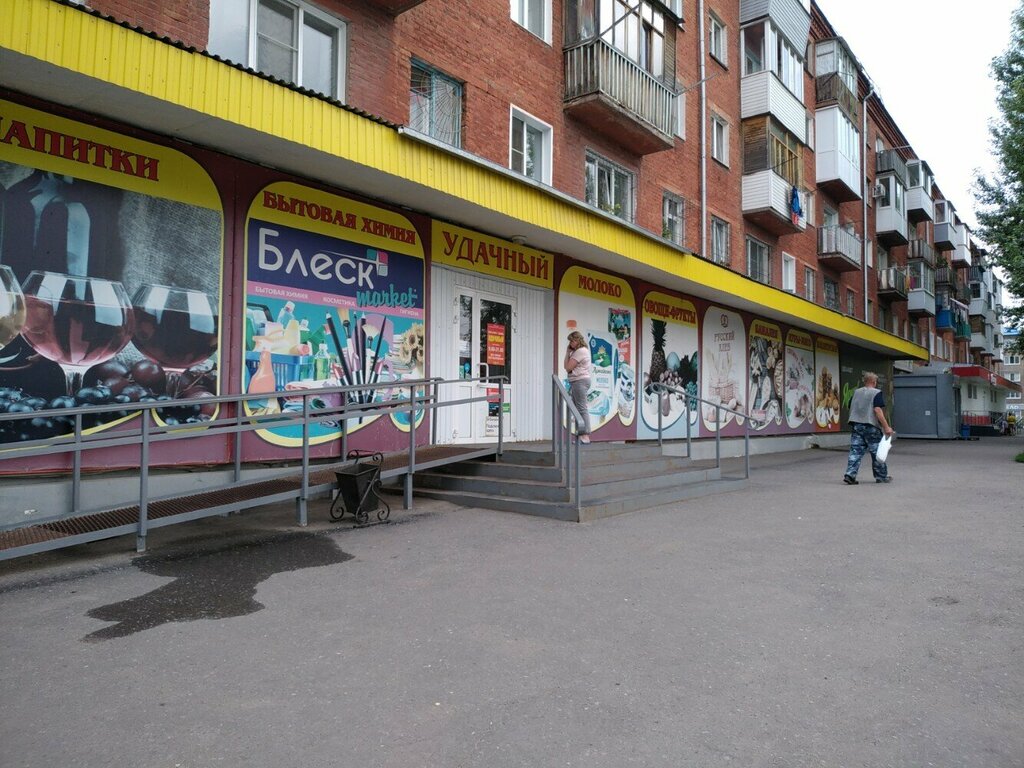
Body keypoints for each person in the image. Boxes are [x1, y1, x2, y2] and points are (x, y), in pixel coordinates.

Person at [844, 371, 895, 484]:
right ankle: (881, 476)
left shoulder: (856, 392)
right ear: (874, 382)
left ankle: (850, 474)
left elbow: (850, 406)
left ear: (865, 381)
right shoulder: (876, 393)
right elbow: (877, 410)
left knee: (855, 451)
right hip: (871, 426)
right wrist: (886, 427)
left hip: (856, 425)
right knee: (877, 451)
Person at [563, 330, 592, 444]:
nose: (570, 343)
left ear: (577, 340)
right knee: (578, 409)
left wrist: (568, 353)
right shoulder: (580, 351)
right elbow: (566, 367)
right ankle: (582, 435)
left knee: (581, 408)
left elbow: (568, 367)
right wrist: (568, 352)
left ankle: (585, 436)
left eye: (571, 341)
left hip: (580, 381)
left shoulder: (580, 351)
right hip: (578, 381)